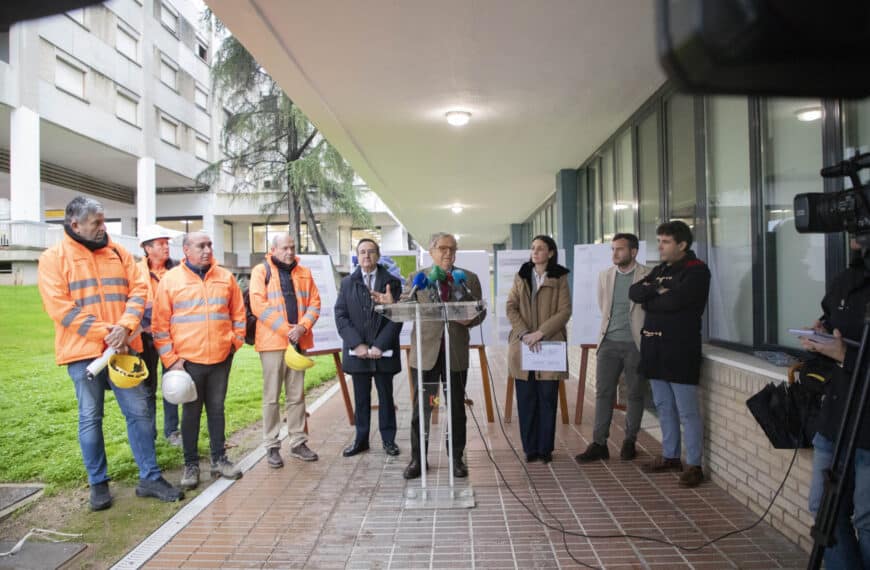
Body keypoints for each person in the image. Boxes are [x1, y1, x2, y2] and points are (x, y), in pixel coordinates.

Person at [38, 196, 183, 511]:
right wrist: (109, 333)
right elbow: (60, 308)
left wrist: (126, 326)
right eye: (97, 223)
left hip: (124, 349)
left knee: (140, 412)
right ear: (74, 224)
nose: (104, 228)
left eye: (104, 221)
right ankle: (98, 484)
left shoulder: (117, 252)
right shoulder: (53, 258)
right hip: (83, 354)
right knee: (91, 417)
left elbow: (138, 290)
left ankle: (150, 478)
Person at [152, 231, 246, 489]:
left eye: (209, 245)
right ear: (186, 250)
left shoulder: (225, 278)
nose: (207, 250)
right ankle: (191, 464)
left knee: (217, 409)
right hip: (187, 362)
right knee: (190, 413)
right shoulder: (171, 281)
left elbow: (239, 314)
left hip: (220, 358)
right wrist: (172, 359)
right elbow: (160, 325)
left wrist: (233, 344)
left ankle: (219, 459)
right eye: (200, 245)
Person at [628, 220, 710, 488]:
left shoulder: (696, 271)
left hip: (680, 349)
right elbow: (635, 292)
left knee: (687, 411)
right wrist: (657, 290)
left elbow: (676, 302)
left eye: (665, 242)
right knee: (663, 406)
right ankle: (671, 456)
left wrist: (655, 295)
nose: (660, 246)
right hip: (654, 349)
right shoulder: (661, 269)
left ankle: (694, 464)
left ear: (682, 244)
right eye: (659, 241)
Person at [805, 237, 870, 568]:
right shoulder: (847, 279)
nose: (853, 237)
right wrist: (821, 334)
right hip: (835, 416)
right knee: (823, 509)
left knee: (867, 521)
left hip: (868, 426)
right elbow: (831, 319)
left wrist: (845, 355)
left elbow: (847, 349)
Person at [400, 232, 486, 480]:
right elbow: (405, 307)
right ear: (431, 251)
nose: (448, 253)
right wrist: (391, 301)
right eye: (443, 248)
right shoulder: (417, 278)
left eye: (453, 249)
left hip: (455, 352)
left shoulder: (468, 278)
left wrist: (472, 318)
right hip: (425, 353)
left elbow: (480, 311)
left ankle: (456, 458)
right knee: (422, 409)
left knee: (456, 408)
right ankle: (418, 459)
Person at [576, 233, 650, 463]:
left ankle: (630, 440)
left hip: (635, 345)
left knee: (635, 394)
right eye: (613, 249)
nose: (615, 253)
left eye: (620, 249)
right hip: (608, 343)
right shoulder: (605, 276)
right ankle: (599, 443)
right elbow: (603, 306)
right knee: (603, 393)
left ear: (633, 252)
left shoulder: (647, 275)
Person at [249, 233, 321, 467]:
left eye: (292, 247)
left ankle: (298, 441)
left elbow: (315, 303)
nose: (289, 252)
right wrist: (286, 329)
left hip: (297, 342)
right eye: (284, 248)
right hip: (272, 343)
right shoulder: (261, 271)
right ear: (273, 249)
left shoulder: (304, 272)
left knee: (296, 395)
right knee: (271, 397)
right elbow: (258, 304)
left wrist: (302, 327)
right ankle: (271, 445)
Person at [505, 235, 571, 463]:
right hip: (523, 345)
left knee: (547, 398)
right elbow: (511, 306)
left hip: (548, 345)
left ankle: (545, 450)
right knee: (526, 399)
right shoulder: (522, 275)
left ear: (551, 252)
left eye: (540, 248)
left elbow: (565, 311)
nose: (535, 252)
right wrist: (524, 333)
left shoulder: (560, 277)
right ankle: (530, 449)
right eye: (533, 248)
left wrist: (540, 333)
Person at [335, 239, 402, 457]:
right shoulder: (347, 283)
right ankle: (361, 440)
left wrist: (380, 345)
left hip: (384, 352)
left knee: (386, 398)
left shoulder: (392, 282)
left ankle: (389, 441)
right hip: (358, 353)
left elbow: (397, 317)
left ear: (378, 255)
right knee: (361, 399)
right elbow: (341, 316)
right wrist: (357, 344)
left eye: (371, 252)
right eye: (362, 252)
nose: (366, 256)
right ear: (357, 256)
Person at [136, 225, 181, 446]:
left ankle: (172, 431)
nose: (166, 247)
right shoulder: (135, 271)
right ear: (147, 248)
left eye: (167, 243)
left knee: (172, 382)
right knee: (147, 387)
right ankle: (149, 432)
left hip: (171, 337)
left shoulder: (178, 271)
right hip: (144, 338)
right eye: (160, 243)